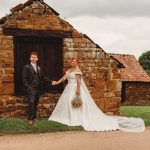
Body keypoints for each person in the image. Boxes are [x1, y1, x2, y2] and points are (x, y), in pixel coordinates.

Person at [49, 57, 145, 132]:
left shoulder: (78, 71)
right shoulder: (69, 70)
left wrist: (78, 90)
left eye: (75, 62)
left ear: (77, 63)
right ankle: (68, 117)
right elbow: (64, 78)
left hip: (74, 88)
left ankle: (76, 119)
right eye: (72, 62)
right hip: (68, 88)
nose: (73, 63)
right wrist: (57, 82)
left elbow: (78, 82)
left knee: (76, 104)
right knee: (68, 104)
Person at [23, 51, 52, 125]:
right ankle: (30, 119)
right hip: (31, 88)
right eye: (32, 57)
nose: (33, 58)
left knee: (35, 103)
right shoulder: (26, 67)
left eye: (35, 57)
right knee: (31, 102)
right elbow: (24, 79)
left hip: (38, 88)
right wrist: (28, 87)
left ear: (37, 59)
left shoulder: (39, 68)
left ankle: (34, 117)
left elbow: (42, 77)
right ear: (30, 58)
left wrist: (51, 81)